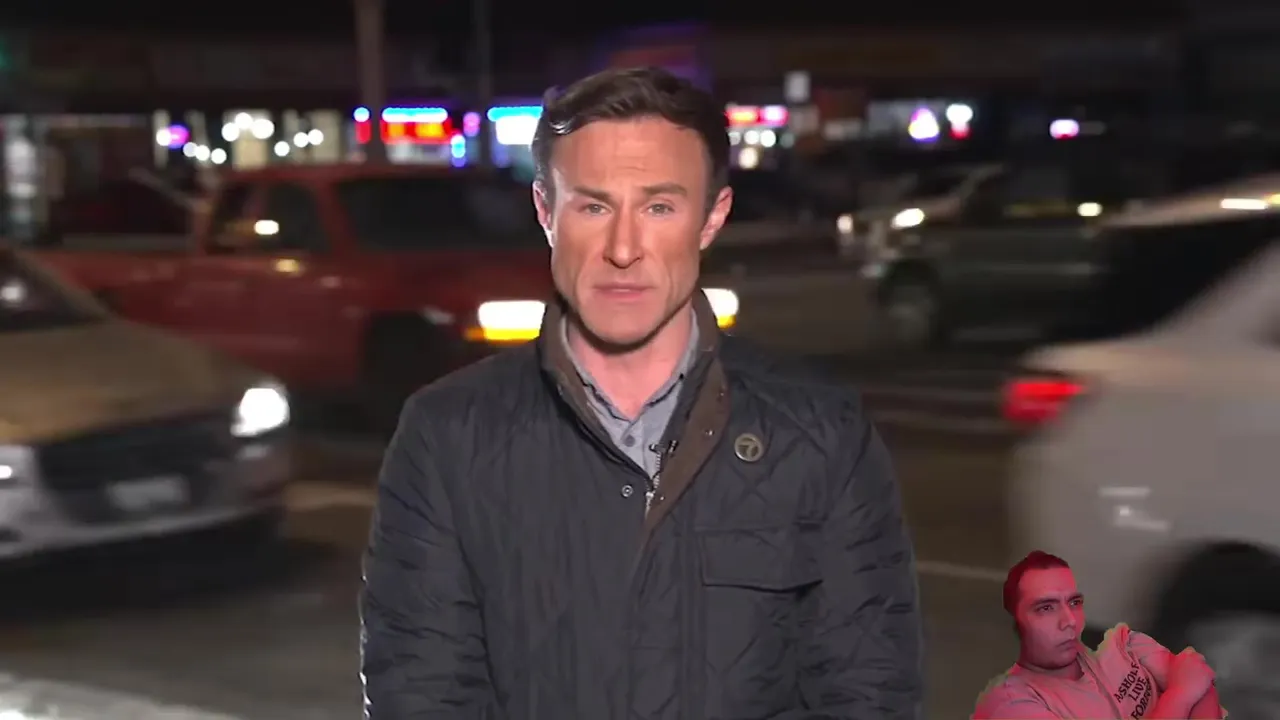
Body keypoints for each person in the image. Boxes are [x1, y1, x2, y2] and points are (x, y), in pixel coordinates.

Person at [359, 66, 925, 719]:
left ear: (712, 218)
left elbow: (869, 694)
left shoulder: (822, 432)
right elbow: (421, 696)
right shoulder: (447, 435)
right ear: (546, 211)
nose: (623, 248)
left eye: (659, 207)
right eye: (593, 206)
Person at [973, 551, 1224, 719]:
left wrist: (1184, 694)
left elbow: (1201, 683)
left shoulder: (1125, 644)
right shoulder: (1015, 706)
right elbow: (1191, 685)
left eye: (1073, 602)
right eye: (1046, 608)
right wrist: (1180, 695)